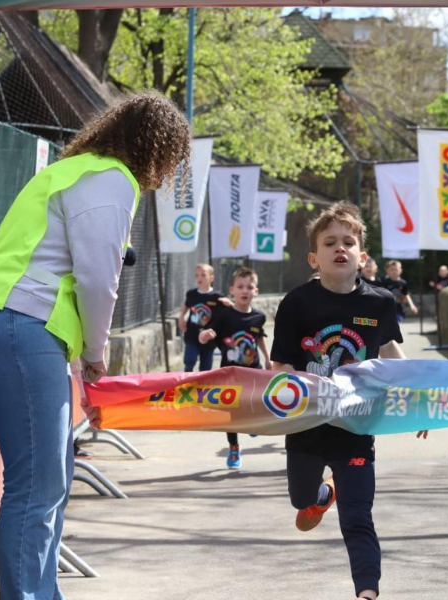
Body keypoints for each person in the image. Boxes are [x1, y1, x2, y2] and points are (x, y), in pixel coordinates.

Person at [0, 92, 190, 599]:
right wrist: (95, 353)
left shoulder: (74, 170)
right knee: (38, 485)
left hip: (5, 323)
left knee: (48, 479)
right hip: (21, 327)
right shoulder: (111, 180)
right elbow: (97, 280)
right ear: (158, 147)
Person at [271, 203, 426, 600]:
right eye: (330, 243)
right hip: (307, 427)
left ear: (362, 256)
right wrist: (280, 399)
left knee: (358, 518)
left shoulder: (378, 303)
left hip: (356, 428)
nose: (340, 248)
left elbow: (391, 352)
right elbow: (280, 365)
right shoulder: (296, 303)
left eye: (348, 242)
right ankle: (321, 496)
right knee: (301, 499)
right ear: (314, 257)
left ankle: (367, 593)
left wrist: (417, 401)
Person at [199, 266, 271, 468]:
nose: (245, 291)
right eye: (240, 287)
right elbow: (207, 332)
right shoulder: (224, 315)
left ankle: (252, 423)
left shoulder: (259, 317)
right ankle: (233, 448)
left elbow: (259, 337)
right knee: (231, 413)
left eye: (250, 287)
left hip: (253, 371)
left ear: (256, 291)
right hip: (229, 373)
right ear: (232, 290)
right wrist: (204, 336)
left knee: (252, 402)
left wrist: (267, 358)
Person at [178, 263, 231, 372]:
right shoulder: (192, 294)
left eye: (203, 275)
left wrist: (230, 303)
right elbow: (186, 306)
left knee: (206, 367)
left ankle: (202, 386)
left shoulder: (217, 296)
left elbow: (229, 313)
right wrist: (181, 317)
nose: (199, 278)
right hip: (192, 334)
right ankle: (187, 378)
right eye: (197, 275)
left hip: (209, 338)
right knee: (189, 359)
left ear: (211, 278)